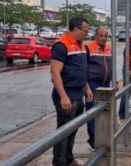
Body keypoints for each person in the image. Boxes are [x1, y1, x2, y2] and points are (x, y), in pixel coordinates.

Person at [50, 16, 93, 166]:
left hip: (78, 94)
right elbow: (55, 73)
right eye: (85, 31)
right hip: (66, 95)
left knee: (72, 130)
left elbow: (81, 69)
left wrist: (86, 87)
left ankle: (68, 159)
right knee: (63, 131)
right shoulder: (62, 46)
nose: (87, 34)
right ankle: (59, 162)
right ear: (76, 29)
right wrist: (63, 96)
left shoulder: (81, 45)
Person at [85, 26, 112, 151]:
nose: (103, 38)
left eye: (105, 36)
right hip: (92, 84)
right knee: (92, 113)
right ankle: (93, 141)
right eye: (101, 35)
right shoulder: (88, 47)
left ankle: (102, 139)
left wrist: (115, 81)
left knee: (104, 112)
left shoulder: (108, 48)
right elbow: (83, 68)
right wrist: (86, 86)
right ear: (95, 35)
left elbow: (111, 65)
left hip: (106, 84)